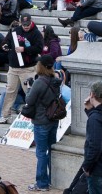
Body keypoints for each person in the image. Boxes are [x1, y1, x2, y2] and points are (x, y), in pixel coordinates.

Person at [0, 14, 43, 124]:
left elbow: (39, 48)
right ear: (20, 22)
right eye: (24, 25)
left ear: (31, 22)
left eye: (28, 24)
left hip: (28, 68)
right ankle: (5, 115)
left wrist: (24, 49)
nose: (26, 27)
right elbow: (6, 41)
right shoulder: (15, 31)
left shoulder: (36, 33)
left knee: (30, 92)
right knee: (10, 91)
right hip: (13, 67)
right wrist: (5, 46)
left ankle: (37, 115)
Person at [22, 55, 61, 191]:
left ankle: (41, 184)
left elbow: (29, 100)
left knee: (41, 152)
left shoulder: (39, 82)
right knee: (50, 150)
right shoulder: (55, 80)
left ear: (41, 66)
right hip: (53, 119)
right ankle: (50, 180)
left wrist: (28, 88)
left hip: (41, 121)